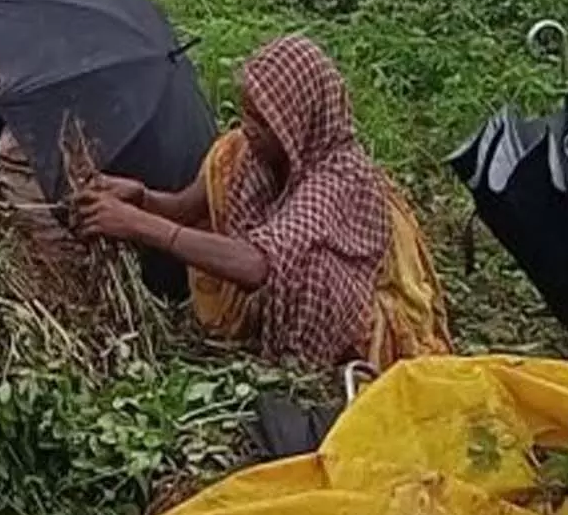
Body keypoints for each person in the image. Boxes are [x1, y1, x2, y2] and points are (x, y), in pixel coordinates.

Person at [71, 34, 451, 369]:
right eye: (246, 112)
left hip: (349, 322)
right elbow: (187, 209)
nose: (248, 128)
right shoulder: (243, 155)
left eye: (263, 120)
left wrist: (137, 224)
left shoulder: (338, 176)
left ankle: (307, 365)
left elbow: (258, 264)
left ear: (296, 122)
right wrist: (141, 197)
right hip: (267, 286)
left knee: (313, 271)